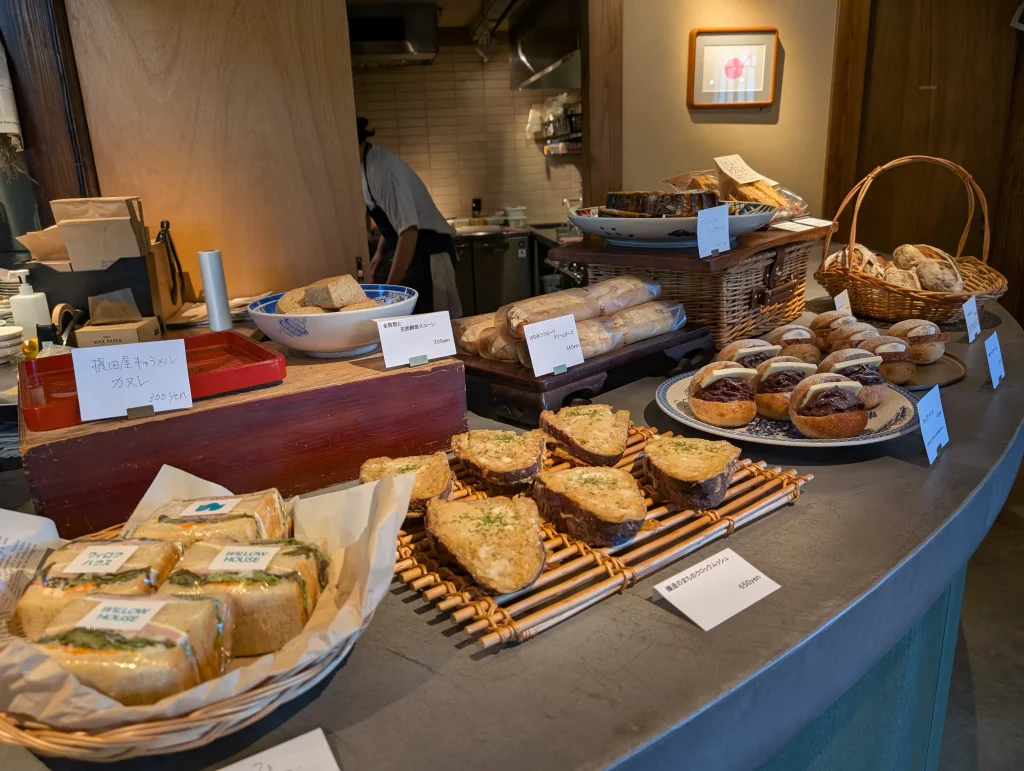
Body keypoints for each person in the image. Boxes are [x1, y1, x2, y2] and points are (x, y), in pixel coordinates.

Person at [359, 118, 462, 316]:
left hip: (429, 255)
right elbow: (395, 218)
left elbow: (409, 232)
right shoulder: (365, 164)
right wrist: (380, 253)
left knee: (433, 326)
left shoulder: (380, 169)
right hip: (414, 254)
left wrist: (390, 290)